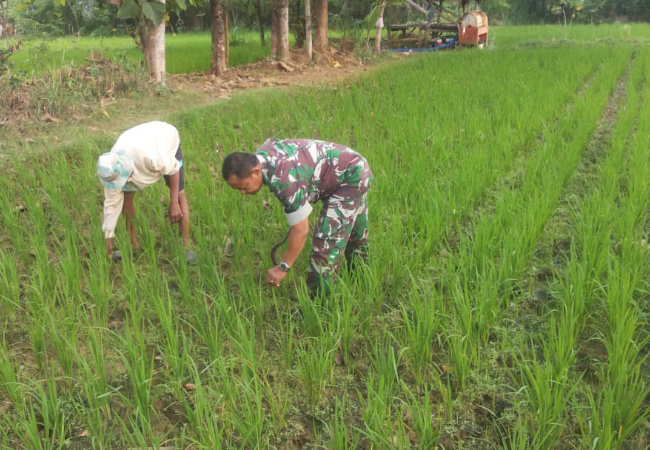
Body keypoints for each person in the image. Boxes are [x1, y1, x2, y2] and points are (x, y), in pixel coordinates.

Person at [222, 138, 373, 298]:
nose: (242, 193)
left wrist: (283, 267)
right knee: (355, 232)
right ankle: (361, 276)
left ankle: (319, 305)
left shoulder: (284, 179)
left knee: (326, 242)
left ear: (256, 172)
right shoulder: (263, 155)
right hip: (353, 164)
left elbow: (301, 230)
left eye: (244, 187)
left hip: (349, 178)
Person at [96, 121, 198, 264]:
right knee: (126, 197)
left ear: (125, 170)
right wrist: (109, 238)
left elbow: (174, 169)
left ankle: (186, 248)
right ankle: (134, 244)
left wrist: (173, 202)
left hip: (165, 140)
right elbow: (111, 207)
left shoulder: (149, 157)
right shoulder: (110, 171)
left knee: (180, 195)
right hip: (140, 138)